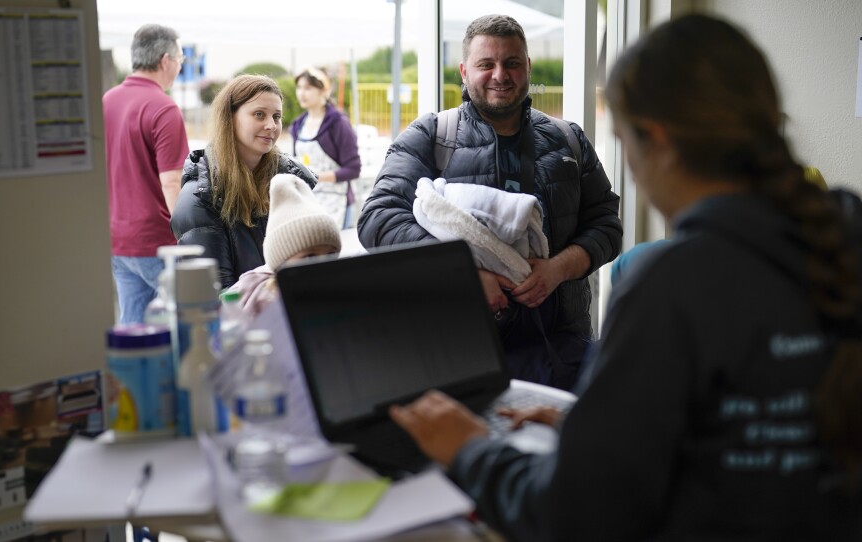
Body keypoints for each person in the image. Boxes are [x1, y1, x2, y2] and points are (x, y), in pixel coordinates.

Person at [388, 14, 862, 541]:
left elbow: (569, 514)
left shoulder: (669, 288)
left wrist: (468, 446)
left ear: (654, 139)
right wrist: (592, 431)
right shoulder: (844, 231)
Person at [357, 14, 622, 391]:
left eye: (512, 63)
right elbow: (377, 220)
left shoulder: (568, 140)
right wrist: (463, 274)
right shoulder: (430, 136)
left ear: (527, 67)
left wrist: (559, 269)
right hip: (457, 354)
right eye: (486, 64)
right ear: (465, 71)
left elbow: (607, 224)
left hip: (562, 352)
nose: (501, 74)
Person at [171, 74, 316, 289]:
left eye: (276, 116)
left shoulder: (290, 183)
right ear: (230, 118)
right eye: (259, 115)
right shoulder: (199, 198)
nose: (271, 125)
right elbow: (217, 295)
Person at [103, 24, 189, 325]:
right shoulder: (164, 108)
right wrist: (189, 239)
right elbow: (172, 181)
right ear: (165, 60)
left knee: (133, 328)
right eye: (180, 58)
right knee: (192, 323)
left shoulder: (107, 101)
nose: (180, 66)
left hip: (117, 238)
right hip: (156, 242)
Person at [226, 173, 342, 318]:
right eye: (309, 256)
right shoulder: (260, 298)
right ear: (280, 263)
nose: (323, 265)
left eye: (331, 255)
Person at [289, 67, 362, 230]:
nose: (301, 93)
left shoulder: (338, 124)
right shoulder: (297, 125)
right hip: (307, 201)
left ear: (323, 90)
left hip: (337, 202)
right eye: (299, 87)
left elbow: (353, 169)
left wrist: (316, 177)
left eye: (307, 88)